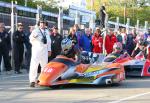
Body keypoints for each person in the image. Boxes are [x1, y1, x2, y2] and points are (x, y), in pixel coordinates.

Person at [29, 18, 51, 87]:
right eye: (41, 23)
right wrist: (34, 37)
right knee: (34, 65)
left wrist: (49, 50)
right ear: (39, 24)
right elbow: (30, 39)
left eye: (43, 23)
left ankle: (42, 79)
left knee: (44, 66)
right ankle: (32, 81)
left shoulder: (47, 32)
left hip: (44, 50)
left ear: (45, 24)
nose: (42, 24)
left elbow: (49, 42)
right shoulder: (36, 31)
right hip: (37, 50)